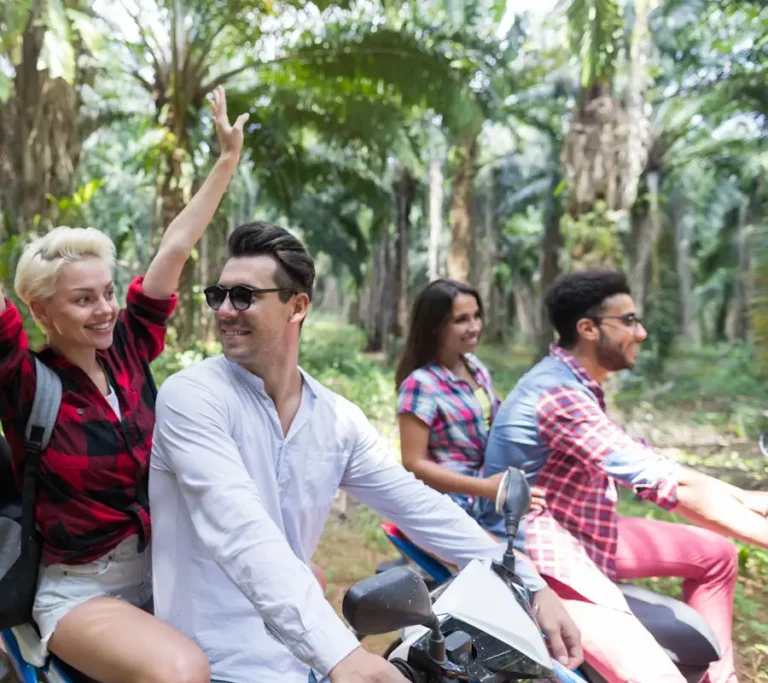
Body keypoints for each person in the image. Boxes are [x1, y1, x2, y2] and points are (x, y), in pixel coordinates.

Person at [0, 42, 251, 683]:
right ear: (43, 312)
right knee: (182, 671)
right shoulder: (23, 381)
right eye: (82, 299)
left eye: (108, 293)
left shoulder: (129, 349)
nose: (104, 309)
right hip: (81, 593)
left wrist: (225, 164)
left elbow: (177, 244)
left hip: (171, 573)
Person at [148, 222, 583, 683]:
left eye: (244, 296)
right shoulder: (192, 397)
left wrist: (530, 583)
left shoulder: (335, 418)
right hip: (214, 663)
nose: (225, 311)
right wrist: (341, 655)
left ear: (296, 306)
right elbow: (241, 532)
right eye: (219, 295)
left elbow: (420, 507)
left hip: (304, 660)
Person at [479, 269, 768, 683]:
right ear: (588, 329)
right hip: (541, 548)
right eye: (629, 321)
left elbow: (660, 466)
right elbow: (669, 486)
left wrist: (742, 496)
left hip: (578, 523)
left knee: (717, 555)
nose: (642, 332)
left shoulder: (574, 382)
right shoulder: (557, 395)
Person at [395, 279, 526, 512]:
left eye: (476, 316)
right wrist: (483, 487)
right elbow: (414, 463)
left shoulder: (474, 366)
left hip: (492, 494)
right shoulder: (420, 385)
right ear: (435, 326)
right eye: (461, 320)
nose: (474, 327)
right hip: (451, 505)